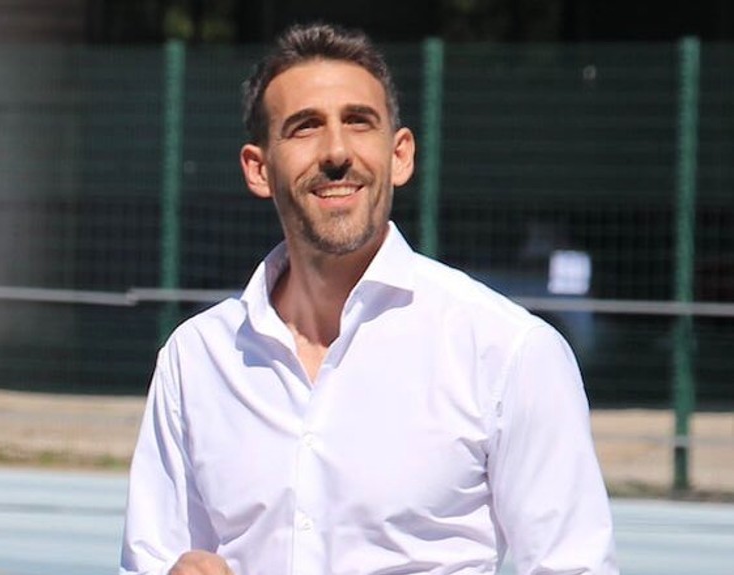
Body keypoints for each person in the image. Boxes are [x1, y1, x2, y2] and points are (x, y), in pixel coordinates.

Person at [120, 22, 619, 575]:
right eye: (305, 127)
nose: (337, 152)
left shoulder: (508, 351)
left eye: (359, 122)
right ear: (259, 169)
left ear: (400, 155)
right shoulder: (195, 359)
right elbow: (153, 560)